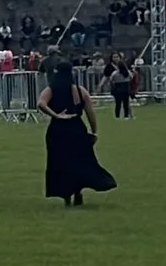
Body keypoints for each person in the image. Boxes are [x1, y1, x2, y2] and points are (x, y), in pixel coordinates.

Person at [38, 60, 116, 206]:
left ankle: (66, 195)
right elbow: (90, 112)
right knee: (79, 162)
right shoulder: (80, 90)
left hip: (58, 130)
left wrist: (55, 115)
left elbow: (41, 103)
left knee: (61, 163)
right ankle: (78, 191)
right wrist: (94, 131)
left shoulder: (51, 89)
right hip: (76, 129)